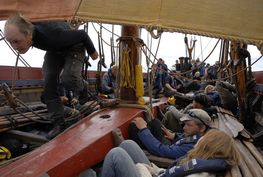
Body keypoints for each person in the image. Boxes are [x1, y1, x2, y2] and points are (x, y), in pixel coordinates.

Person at [4, 14, 98, 138]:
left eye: (16, 41)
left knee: (69, 80)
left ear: (28, 34)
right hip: (54, 49)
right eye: (10, 43)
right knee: (49, 84)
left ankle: (83, 85)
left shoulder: (52, 35)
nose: (14, 47)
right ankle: (59, 123)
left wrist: (93, 53)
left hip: (74, 46)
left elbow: (82, 35)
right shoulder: (29, 29)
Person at [100, 129, 240, 177]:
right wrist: (158, 170)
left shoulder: (200, 175)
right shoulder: (206, 164)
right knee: (127, 144)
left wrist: (145, 172)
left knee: (116, 154)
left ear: (207, 147)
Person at [129, 109, 212, 159]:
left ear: (202, 128)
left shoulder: (192, 147)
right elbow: (188, 139)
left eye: (189, 125)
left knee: (134, 127)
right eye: (185, 124)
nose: (184, 128)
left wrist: (143, 129)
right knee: (156, 123)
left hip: (161, 152)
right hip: (172, 145)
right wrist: (175, 136)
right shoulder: (200, 135)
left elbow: (161, 151)